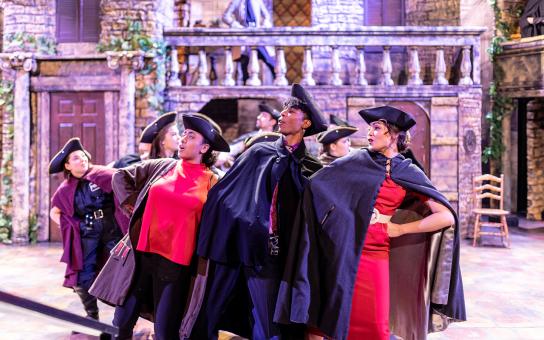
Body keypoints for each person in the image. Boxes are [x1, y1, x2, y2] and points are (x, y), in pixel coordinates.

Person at [275, 106, 466, 340]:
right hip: (341, 253)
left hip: (375, 254)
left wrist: (399, 229)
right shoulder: (357, 160)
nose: (370, 133)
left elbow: (445, 216)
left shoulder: (408, 171)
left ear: (394, 135)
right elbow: (317, 188)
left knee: (374, 326)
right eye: (370, 128)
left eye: (377, 128)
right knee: (327, 320)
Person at [187, 84, 327, 340]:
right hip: (240, 246)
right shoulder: (259, 152)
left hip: (279, 254)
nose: (283, 115)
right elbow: (224, 194)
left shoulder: (311, 167)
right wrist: (243, 222)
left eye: (291, 111)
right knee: (215, 310)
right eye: (283, 110)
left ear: (305, 123)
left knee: (272, 319)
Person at [101, 114, 230, 340]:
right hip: (142, 255)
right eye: (182, 134)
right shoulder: (164, 166)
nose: (182, 139)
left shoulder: (214, 181)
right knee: (122, 322)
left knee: (165, 330)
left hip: (176, 264)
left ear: (204, 147)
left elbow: (223, 219)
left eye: (190, 136)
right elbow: (121, 176)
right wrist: (131, 206)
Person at [49, 138, 127, 320]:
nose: (82, 159)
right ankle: (92, 316)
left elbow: (126, 187)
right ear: (67, 166)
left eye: (83, 156)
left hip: (112, 230)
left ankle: (124, 316)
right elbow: (55, 211)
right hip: (88, 234)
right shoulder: (66, 188)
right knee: (83, 277)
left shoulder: (104, 174)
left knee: (124, 270)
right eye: (76, 158)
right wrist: (71, 226)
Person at [222, 0, 276, 82]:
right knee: (245, 66)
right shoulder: (236, 2)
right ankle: (246, 91)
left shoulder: (257, 1)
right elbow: (225, 16)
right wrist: (237, 26)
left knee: (270, 61)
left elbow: (267, 16)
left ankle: (278, 84)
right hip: (243, 38)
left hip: (257, 37)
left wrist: (264, 26)